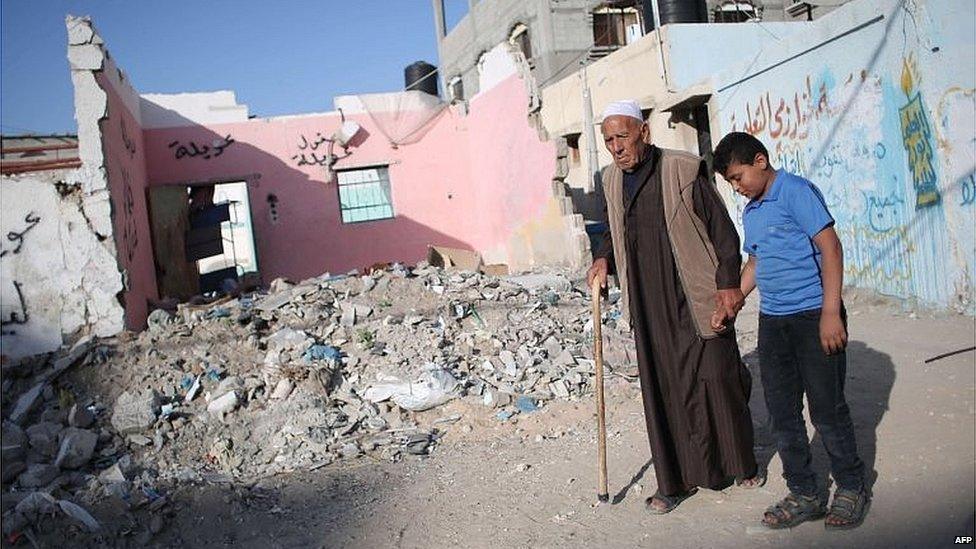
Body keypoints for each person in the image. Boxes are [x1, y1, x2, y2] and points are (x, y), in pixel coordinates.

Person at [586, 100, 762, 514]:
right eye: (608, 139)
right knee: (662, 390)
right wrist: (602, 258)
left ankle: (741, 463)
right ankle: (674, 482)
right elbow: (614, 231)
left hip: (695, 293)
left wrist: (726, 287)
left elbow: (723, 233)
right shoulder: (611, 181)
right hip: (648, 303)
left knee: (718, 377)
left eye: (622, 136)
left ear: (644, 132)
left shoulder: (683, 170)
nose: (616, 147)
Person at [711, 132, 868, 530]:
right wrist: (735, 301)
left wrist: (830, 312)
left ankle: (851, 487)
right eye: (730, 182)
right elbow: (756, 262)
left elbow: (831, 248)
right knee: (783, 414)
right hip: (774, 322)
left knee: (827, 411)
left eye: (738, 176)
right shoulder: (753, 211)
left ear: (760, 161)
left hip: (814, 315)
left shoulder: (796, 192)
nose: (736, 187)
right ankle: (805, 493)